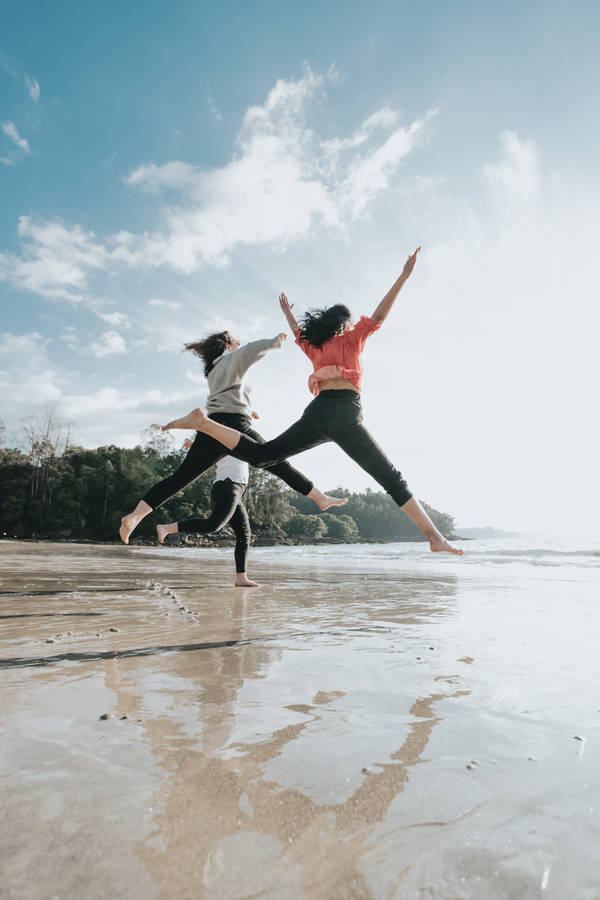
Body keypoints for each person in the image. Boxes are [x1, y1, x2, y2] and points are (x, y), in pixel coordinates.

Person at [160, 249, 463, 555]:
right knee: (391, 479)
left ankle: (205, 424)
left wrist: (288, 313)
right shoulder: (352, 338)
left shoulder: (314, 346)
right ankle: (434, 537)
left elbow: (296, 332)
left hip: (318, 413)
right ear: (344, 324)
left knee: (263, 456)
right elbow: (380, 315)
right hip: (346, 414)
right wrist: (403, 277)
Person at [120, 330, 345, 543]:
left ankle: (134, 517)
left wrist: (250, 409)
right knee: (278, 463)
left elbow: (230, 394)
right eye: (234, 341)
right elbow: (250, 350)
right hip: (236, 426)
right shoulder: (232, 358)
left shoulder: (214, 370)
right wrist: (275, 342)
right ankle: (320, 498)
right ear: (228, 345)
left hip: (214, 425)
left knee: (179, 479)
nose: (238, 343)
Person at [157, 448, 260, 588]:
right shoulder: (227, 436)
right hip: (229, 486)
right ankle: (166, 528)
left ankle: (241, 578)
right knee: (213, 525)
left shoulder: (241, 438)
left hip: (236, 489)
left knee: (244, 534)